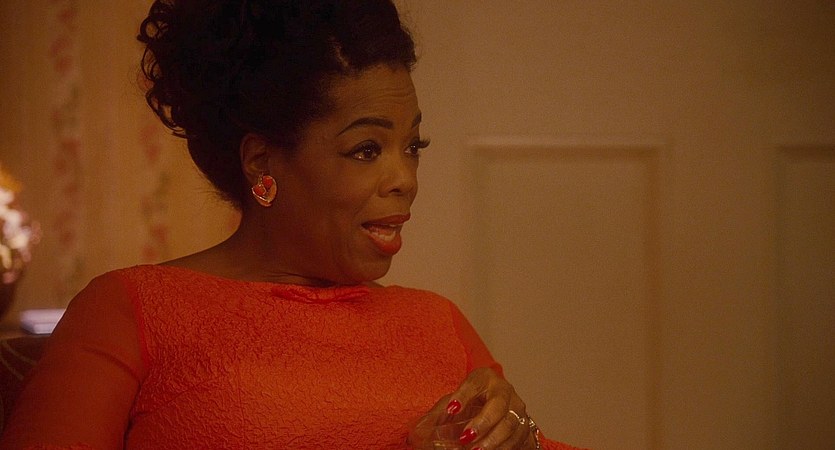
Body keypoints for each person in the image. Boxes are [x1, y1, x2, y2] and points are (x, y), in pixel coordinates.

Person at [1, 1, 584, 449]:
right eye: (366, 149)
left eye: (413, 146)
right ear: (262, 162)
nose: (405, 178)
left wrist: (521, 439)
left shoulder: (439, 322)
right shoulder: (130, 311)